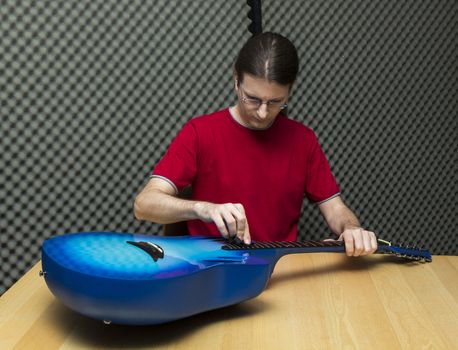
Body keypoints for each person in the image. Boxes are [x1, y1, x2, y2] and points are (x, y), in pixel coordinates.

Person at [134, 32, 377, 257]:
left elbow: (335, 209)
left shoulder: (303, 140)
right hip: (212, 268)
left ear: (289, 92)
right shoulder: (199, 132)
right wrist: (203, 209)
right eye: (252, 99)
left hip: (279, 267)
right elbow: (144, 205)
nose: (262, 113)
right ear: (236, 80)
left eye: (275, 102)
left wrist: (351, 228)